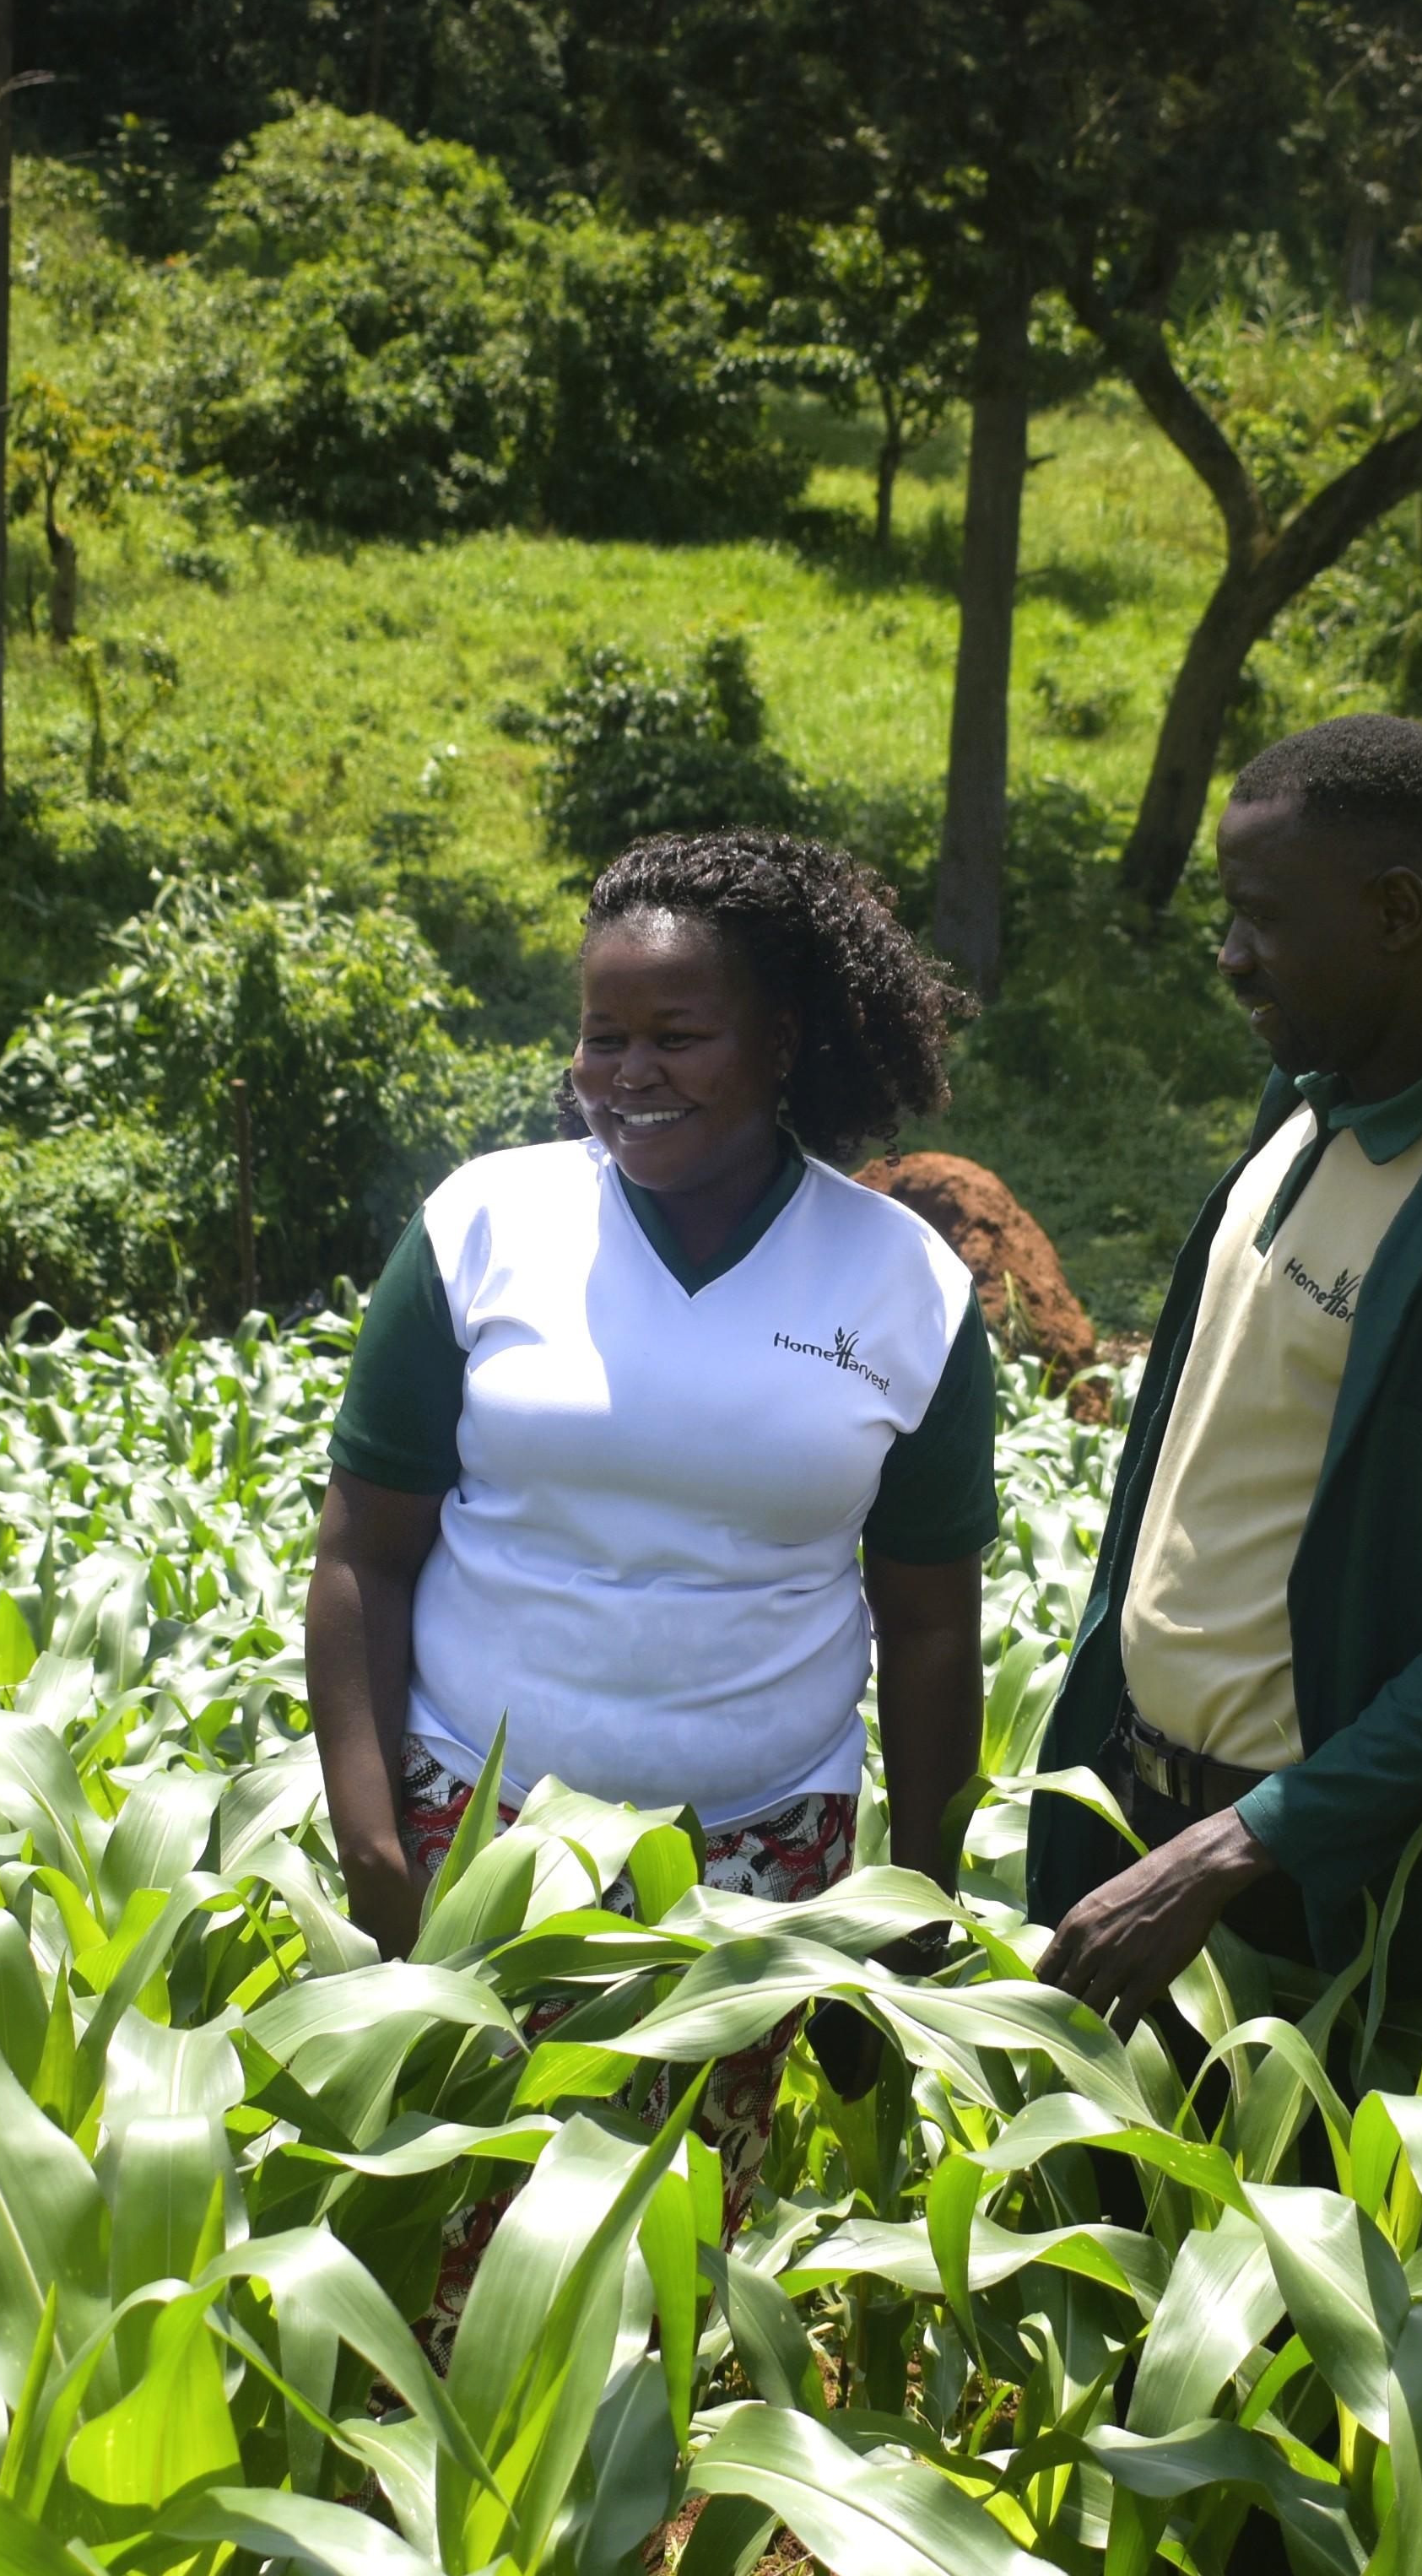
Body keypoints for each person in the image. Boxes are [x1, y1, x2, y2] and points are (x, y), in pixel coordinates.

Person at [305, 829, 997, 2246]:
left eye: (677, 1037)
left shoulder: (903, 1283)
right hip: (477, 1839)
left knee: (676, 2242)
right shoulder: (485, 1224)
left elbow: (931, 1623)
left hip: (756, 1865)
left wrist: (914, 1901)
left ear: (783, 1040)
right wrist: (373, 1834)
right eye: (601, 1037)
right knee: (447, 2247)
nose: (628, 1074)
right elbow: (365, 1550)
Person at [1030, 716, 1422, 2039]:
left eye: (1263, 915)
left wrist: (1234, 1849)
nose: (1228, 952)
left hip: (1312, 1898)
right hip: (1144, 1822)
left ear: (1397, 914)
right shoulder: (1313, 1099)